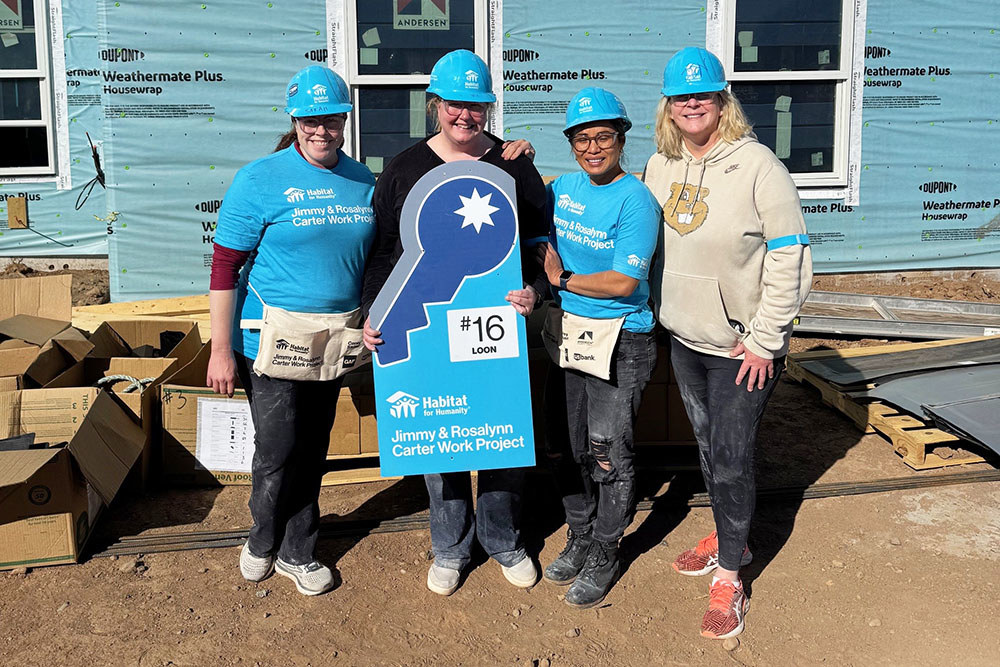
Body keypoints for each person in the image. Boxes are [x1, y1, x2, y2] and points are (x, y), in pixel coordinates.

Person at [361, 49, 549, 596]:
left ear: (489, 109)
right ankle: (449, 545)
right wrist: (376, 312)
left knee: (497, 427)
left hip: (496, 322)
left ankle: (503, 539)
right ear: (435, 105)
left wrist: (535, 291)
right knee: (440, 434)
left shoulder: (513, 164)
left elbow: (540, 242)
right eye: (454, 106)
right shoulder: (403, 169)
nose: (465, 117)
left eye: (477, 107)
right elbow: (383, 253)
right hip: (427, 329)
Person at [642, 47, 813, 639]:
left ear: (722, 101)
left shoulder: (760, 165)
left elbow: (790, 253)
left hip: (744, 347)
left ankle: (731, 573)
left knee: (735, 456)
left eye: (705, 94)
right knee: (710, 447)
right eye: (682, 96)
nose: (693, 103)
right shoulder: (659, 164)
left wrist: (767, 340)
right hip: (687, 337)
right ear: (668, 106)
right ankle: (723, 526)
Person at [206, 66, 376, 596]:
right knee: (277, 447)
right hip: (270, 340)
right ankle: (262, 537)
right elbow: (224, 268)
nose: (320, 129)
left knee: (313, 448)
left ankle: (298, 552)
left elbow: (380, 260)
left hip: (332, 341)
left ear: (344, 118)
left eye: (329, 118)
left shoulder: (363, 180)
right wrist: (220, 351)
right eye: (309, 119)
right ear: (294, 119)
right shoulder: (259, 179)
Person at [540, 87, 661, 609]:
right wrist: (511, 152)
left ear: (620, 139)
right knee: (567, 444)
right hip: (570, 335)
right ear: (570, 143)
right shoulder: (562, 187)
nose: (593, 147)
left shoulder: (635, 200)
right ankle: (581, 532)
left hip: (623, 339)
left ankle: (607, 549)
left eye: (603, 137)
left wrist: (562, 278)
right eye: (582, 138)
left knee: (609, 450)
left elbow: (622, 284)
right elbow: (520, 205)